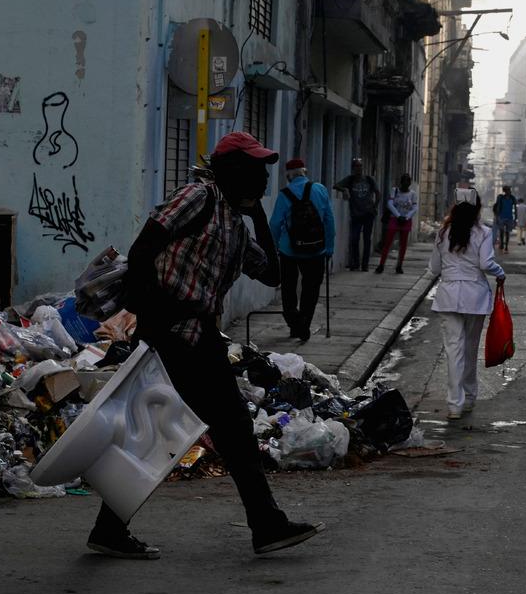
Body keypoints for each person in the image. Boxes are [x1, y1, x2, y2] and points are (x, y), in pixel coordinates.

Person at [96, 131, 325, 559]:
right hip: (172, 334)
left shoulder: (236, 227)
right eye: (254, 169)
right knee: (229, 426)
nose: (261, 178)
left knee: (162, 428)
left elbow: (273, 274)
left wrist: (259, 216)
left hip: (199, 337)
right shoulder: (198, 197)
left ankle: (110, 528)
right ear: (233, 169)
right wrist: (153, 314)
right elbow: (143, 249)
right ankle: (265, 523)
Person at [428, 191, 507, 420]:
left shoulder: (443, 233)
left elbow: (433, 269)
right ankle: (470, 397)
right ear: (476, 208)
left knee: (454, 351)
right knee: (470, 349)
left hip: (448, 295)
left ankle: (455, 404)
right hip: (475, 297)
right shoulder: (483, 232)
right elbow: (486, 263)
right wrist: (500, 273)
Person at [269, 158, 335, 341]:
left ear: (288, 175)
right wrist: (329, 248)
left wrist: (274, 245)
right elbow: (329, 220)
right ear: (304, 172)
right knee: (311, 288)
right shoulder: (320, 189)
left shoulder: (285, 194)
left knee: (288, 289)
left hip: (289, 251)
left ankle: (294, 323)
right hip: (316, 250)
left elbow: (275, 223)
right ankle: (304, 324)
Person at [334, 158, 380, 271]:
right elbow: (336, 185)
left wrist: (375, 206)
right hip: (356, 214)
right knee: (354, 239)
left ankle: (365, 264)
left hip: (368, 214)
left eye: (360, 166)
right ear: (353, 168)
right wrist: (345, 190)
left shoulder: (369, 179)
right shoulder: (350, 180)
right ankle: (355, 262)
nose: (359, 168)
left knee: (366, 239)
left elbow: (378, 193)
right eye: (356, 166)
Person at [376, 173, 418, 274]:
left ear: (410, 183)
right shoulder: (395, 191)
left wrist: (407, 217)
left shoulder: (413, 194)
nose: (406, 183)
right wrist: (398, 216)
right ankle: (381, 265)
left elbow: (415, 207)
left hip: (406, 221)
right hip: (394, 219)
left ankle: (399, 266)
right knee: (388, 243)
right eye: (404, 181)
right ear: (401, 182)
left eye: (408, 181)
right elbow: (390, 204)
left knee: (403, 245)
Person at [493, 185, 517, 252]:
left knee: (507, 232)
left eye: (509, 190)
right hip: (501, 217)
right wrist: (497, 217)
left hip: (509, 217)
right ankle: (501, 244)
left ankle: (506, 246)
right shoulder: (501, 198)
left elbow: (515, 208)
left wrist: (515, 219)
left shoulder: (512, 198)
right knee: (501, 231)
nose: (509, 191)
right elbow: (498, 207)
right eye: (507, 190)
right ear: (504, 191)